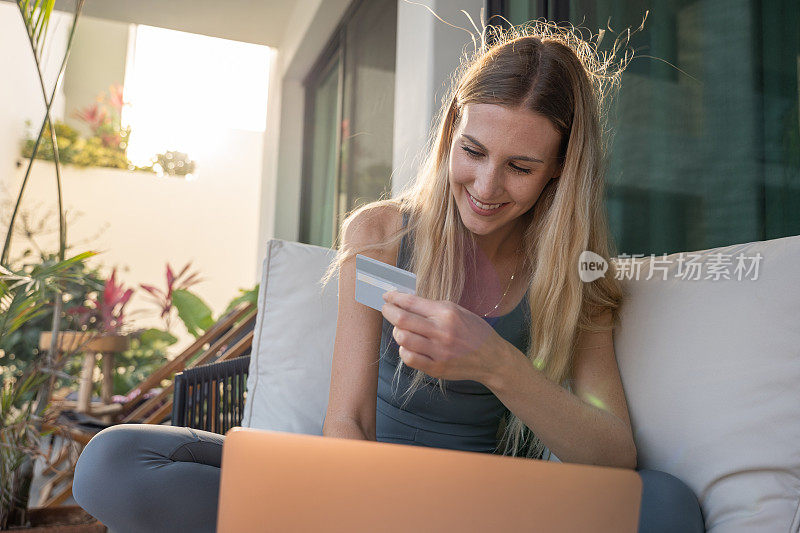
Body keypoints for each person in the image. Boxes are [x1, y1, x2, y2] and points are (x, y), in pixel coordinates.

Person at [73, 20, 705, 533]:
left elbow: (613, 453)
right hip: (361, 491)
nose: (485, 188)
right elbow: (347, 418)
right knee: (114, 461)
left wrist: (495, 364)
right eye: (474, 152)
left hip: (488, 506)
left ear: (559, 172)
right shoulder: (380, 234)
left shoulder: (574, 275)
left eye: (520, 167)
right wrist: (362, 506)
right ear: (452, 128)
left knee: (668, 507)